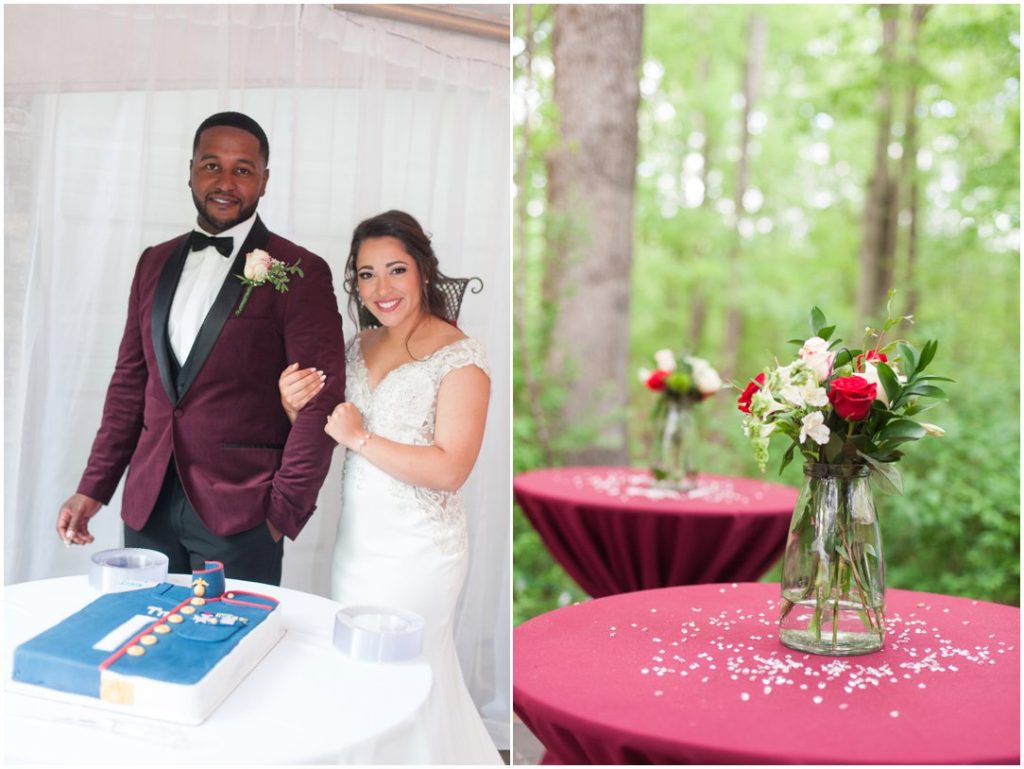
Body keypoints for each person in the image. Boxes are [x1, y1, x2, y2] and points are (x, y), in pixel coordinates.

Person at [56, 111, 346, 585]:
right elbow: (131, 385)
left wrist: (281, 511)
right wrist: (93, 488)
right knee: (149, 641)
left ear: (265, 181)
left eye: (243, 169)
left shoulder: (299, 270)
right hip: (147, 509)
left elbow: (322, 399)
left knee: (230, 648)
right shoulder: (153, 262)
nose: (226, 181)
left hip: (242, 512)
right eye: (212, 165)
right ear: (190, 170)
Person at [278, 210, 498, 764]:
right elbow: (326, 430)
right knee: (357, 671)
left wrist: (363, 438)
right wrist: (291, 405)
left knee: (405, 671)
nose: (382, 288)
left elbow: (452, 468)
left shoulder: (459, 355)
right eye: (367, 274)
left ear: (423, 270)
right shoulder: (358, 345)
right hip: (357, 546)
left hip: (420, 549)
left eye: (396, 270)